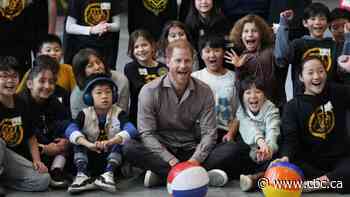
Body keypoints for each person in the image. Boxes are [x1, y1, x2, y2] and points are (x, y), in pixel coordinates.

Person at [123, 40, 240, 188]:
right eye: (178, 60)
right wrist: (171, 161)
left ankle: (163, 175)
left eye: (187, 61)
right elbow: (147, 134)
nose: (183, 66)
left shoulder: (204, 91)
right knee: (129, 147)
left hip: (191, 149)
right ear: (167, 62)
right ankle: (199, 176)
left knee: (231, 148)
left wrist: (194, 160)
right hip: (162, 150)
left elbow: (209, 133)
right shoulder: (149, 91)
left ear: (193, 63)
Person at [275, 56, 350, 193]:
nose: (316, 76)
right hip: (309, 164)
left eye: (321, 71)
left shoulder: (338, 92)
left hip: (339, 160)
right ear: (301, 77)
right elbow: (290, 140)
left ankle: (310, 186)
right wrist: (286, 156)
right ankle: (330, 182)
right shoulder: (292, 107)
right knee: (285, 165)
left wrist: (347, 72)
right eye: (310, 72)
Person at [65, 73, 138, 194]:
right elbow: (70, 130)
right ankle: (81, 176)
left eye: (108, 92)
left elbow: (131, 129)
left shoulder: (119, 113)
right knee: (78, 139)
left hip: (112, 158)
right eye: (99, 92)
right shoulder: (83, 113)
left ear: (114, 96)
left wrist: (111, 141)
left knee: (121, 140)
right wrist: (88, 144)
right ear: (89, 97)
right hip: (89, 157)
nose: (104, 96)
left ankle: (108, 175)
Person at [18, 55, 71, 188]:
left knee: (73, 132)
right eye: (41, 81)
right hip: (27, 150)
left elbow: (66, 122)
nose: (47, 86)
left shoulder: (53, 101)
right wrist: (44, 148)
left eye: (51, 82)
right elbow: (17, 139)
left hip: (52, 145)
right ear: (30, 84)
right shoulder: (19, 103)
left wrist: (66, 140)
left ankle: (56, 170)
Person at [0, 56, 50, 196]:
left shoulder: (22, 103)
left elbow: (31, 136)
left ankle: (3, 180)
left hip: (11, 159)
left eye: (14, 76)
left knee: (43, 180)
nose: (10, 81)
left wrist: (37, 161)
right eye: (4, 76)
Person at [275, 3, 345, 96]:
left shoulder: (335, 45)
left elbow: (343, 70)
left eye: (322, 19)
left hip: (329, 100)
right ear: (305, 23)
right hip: (303, 100)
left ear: (328, 23)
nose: (317, 22)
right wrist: (284, 24)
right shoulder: (298, 44)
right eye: (313, 19)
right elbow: (281, 58)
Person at [225, 14, 285, 108]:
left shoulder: (271, 50)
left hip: (274, 105)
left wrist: (281, 33)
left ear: (261, 34)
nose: (250, 34)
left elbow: (282, 57)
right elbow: (240, 88)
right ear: (240, 36)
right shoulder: (241, 58)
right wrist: (239, 67)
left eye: (254, 31)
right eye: (246, 31)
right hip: (253, 107)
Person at [234, 75, 280, 192]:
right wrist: (260, 141)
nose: (253, 96)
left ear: (264, 95)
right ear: (242, 96)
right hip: (250, 150)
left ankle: (255, 179)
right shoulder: (241, 110)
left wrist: (268, 149)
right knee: (232, 150)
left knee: (279, 160)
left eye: (258, 92)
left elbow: (272, 130)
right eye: (248, 92)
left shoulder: (271, 109)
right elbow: (249, 128)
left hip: (267, 152)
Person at [191, 34, 238, 143]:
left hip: (224, 132)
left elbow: (239, 113)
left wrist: (231, 133)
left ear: (223, 53)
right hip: (199, 132)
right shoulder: (194, 77)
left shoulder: (234, 78)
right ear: (201, 55)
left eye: (216, 50)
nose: (212, 55)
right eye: (207, 51)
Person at [124, 30, 168, 125]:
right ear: (132, 50)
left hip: (162, 115)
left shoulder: (163, 68)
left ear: (152, 46)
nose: (141, 49)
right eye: (136, 47)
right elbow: (141, 88)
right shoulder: (130, 67)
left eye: (144, 45)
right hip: (139, 116)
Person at [70, 48, 129, 119]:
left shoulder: (120, 80)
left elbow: (122, 114)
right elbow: (77, 123)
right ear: (82, 72)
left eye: (98, 62)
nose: (97, 67)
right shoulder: (76, 95)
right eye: (90, 66)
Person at [65, 0, 121, 68]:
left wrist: (106, 26)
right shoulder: (75, 2)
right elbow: (69, 27)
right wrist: (92, 29)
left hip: (105, 48)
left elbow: (117, 25)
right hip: (82, 47)